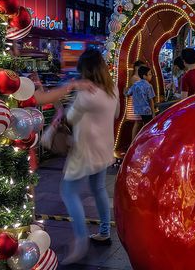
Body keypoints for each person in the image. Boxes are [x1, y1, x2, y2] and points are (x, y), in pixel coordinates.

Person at [60, 49, 120, 264]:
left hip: (84, 150)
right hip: (104, 148)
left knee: (68, 192)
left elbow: (70, 117)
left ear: (84, 70)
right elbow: (115, 113)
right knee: (98, 189)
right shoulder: (112, 88)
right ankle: (104, 231)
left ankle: (81, 239)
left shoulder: (86, 94)